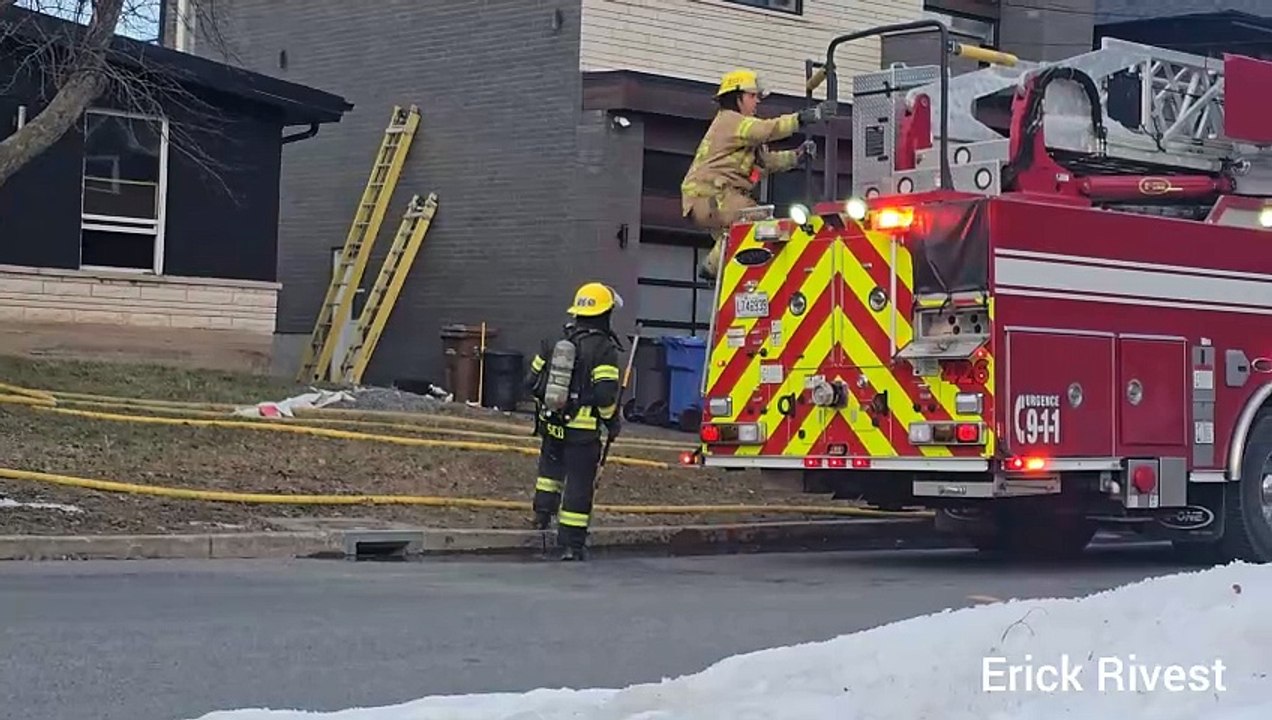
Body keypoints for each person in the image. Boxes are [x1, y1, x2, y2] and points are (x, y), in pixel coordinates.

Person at [681, 68, 831, 280]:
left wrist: (797, 156)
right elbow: (767, 130)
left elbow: (766, 162)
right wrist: (803, 118)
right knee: (755, 218)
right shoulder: (732, 121)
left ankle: (727, 273)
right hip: (711, 197)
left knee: (742, 234)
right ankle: (711, 268)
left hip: (712, 199)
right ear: (737, 98)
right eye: (752, 96)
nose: (757, 101)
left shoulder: (740, 130)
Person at [522, 282, 624, 561]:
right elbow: (605, 395)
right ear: (605, 313)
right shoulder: (603, 348)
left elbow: (531, 381)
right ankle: (571, 544)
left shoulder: (555, 339)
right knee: (579, 485)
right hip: (581, 431)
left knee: (549, 474)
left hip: (551, 424)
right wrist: (612, 423)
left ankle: (541, 516)